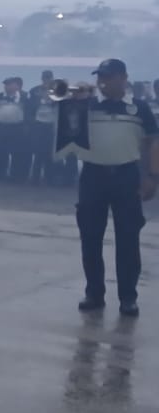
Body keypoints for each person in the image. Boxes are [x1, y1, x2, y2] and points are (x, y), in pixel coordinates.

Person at [69, 59, 159, 317]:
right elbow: (67, 127)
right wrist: (75, 100)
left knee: (128, 238)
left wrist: (152, 176)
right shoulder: (88, 105)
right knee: (90, 237)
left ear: (123, 78)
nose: (103, 82)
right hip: (93, 176)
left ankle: (128, 297)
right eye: (100, 77)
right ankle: (94, 293)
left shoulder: (139, 108)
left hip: (126, 175)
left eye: (108, 77)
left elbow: (153, 142)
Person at [0, 77, 29, 181]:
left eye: (10, 84)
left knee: (17, 153)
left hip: (16, 128)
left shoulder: (24, 97)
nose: (7, 87)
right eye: (6, 85)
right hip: (0, 127)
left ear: (16, 86)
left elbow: (29, 112)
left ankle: (15, 176)